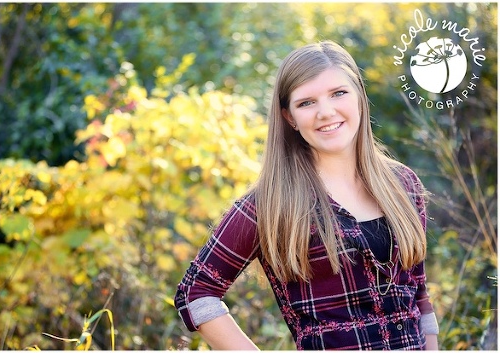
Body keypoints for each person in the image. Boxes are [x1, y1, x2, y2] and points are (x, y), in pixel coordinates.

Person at [174, 41, 438, 350]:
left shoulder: (403, 184)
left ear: (360, 98)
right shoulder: (271, 203)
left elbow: (417, 291)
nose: (326, 112)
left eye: (339, 93)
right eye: (306, 103)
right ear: (289, 118)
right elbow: (195, 292)